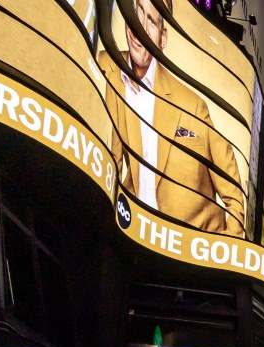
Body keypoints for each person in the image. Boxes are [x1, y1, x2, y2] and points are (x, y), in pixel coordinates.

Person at [103, 0, 246, 235]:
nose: (140, 29)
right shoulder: (108, 66)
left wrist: (223, 252)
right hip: (133, 232)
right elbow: (111, 160)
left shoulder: (192, 106)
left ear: (163, 38)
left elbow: (234, 195)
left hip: (187, 249)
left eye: (151, 21)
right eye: (137, 15)